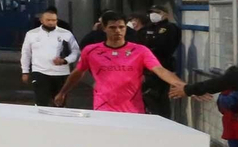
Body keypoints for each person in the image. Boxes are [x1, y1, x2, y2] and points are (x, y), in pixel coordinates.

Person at [55, 11, 183, 112]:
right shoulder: (91, 50)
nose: (118, 31)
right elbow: (78, 73)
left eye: (121, 27)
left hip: (133, 110)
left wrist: (182, 85)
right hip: (103, 108)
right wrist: (63, 92)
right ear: (103, 28)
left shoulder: (140, 51)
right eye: (112, 27)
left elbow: (160, 70)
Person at [20, 8, 80, 108]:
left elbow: (76, 51)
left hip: (61, 73)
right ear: (41, 20)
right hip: (40, 72)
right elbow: (26, 53)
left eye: (54, 20)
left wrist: (65, 60)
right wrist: (25, 71)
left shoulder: (66, 34)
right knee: (41, 102)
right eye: (48, 20)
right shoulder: (32, 34)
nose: (51, 23)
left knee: (60, 103)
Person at [137, 3, 181, 117]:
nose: (153, 15)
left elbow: (167, 46)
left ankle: (163, 119)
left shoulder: (170, 28)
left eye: (157, 12)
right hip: (146, 70)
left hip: (163, 68)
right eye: (151, 13)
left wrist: (151, 49)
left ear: (165, 14)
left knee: (160, 98)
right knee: (147, 97)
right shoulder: (146, 29)